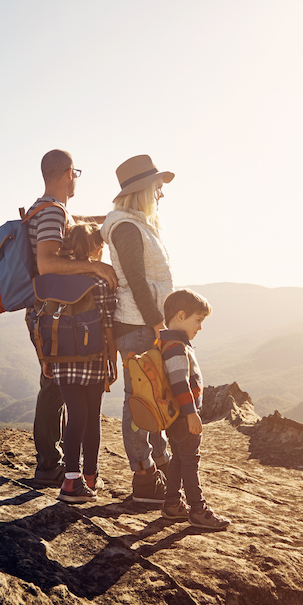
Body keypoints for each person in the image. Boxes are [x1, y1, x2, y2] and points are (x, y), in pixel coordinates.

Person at [27, 149, 117, 485]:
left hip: (52, 312)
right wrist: (94, 266)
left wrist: (111, 219)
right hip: (54, 314)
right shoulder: (51, 213)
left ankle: (58, 465)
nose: (76, 178)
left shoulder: (50, 210)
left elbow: (70, 234)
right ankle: (52, 466)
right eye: (76, 172)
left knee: (56, 385)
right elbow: (48, 263)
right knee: (55, 388)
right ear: (68, 173)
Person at [101, 154, 175, 504]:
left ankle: (158, 465)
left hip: (143, 324)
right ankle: (144, 478)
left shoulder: (135, 223)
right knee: (139, 401)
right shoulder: (128, 227)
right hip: (138, 325)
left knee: (152, 396)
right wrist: (158, 323)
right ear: (143, 189)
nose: (161, 194)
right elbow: (137, 281)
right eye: (158, 188)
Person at [49, 223, 117, 503]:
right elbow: (108, 325)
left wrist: (46, 358)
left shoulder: (55, 279)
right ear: (97, 249)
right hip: (93, 358)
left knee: (76, 416)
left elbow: (43, 318)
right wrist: (112, 360)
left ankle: (77, 477)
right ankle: (80, 478)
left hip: (62, 358)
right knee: (91, 418)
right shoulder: (101, 281)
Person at [158, 288, 230, 530]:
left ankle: (172, 504)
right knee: (190, 461)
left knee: (178, 458)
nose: (200, 327)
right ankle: (198, 510)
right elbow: (179, 383)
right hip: (183, 415)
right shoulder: (175, 347)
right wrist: (191, 413)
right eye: (197, 320)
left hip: (175, 416)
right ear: (180, 316)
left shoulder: (168, 342)